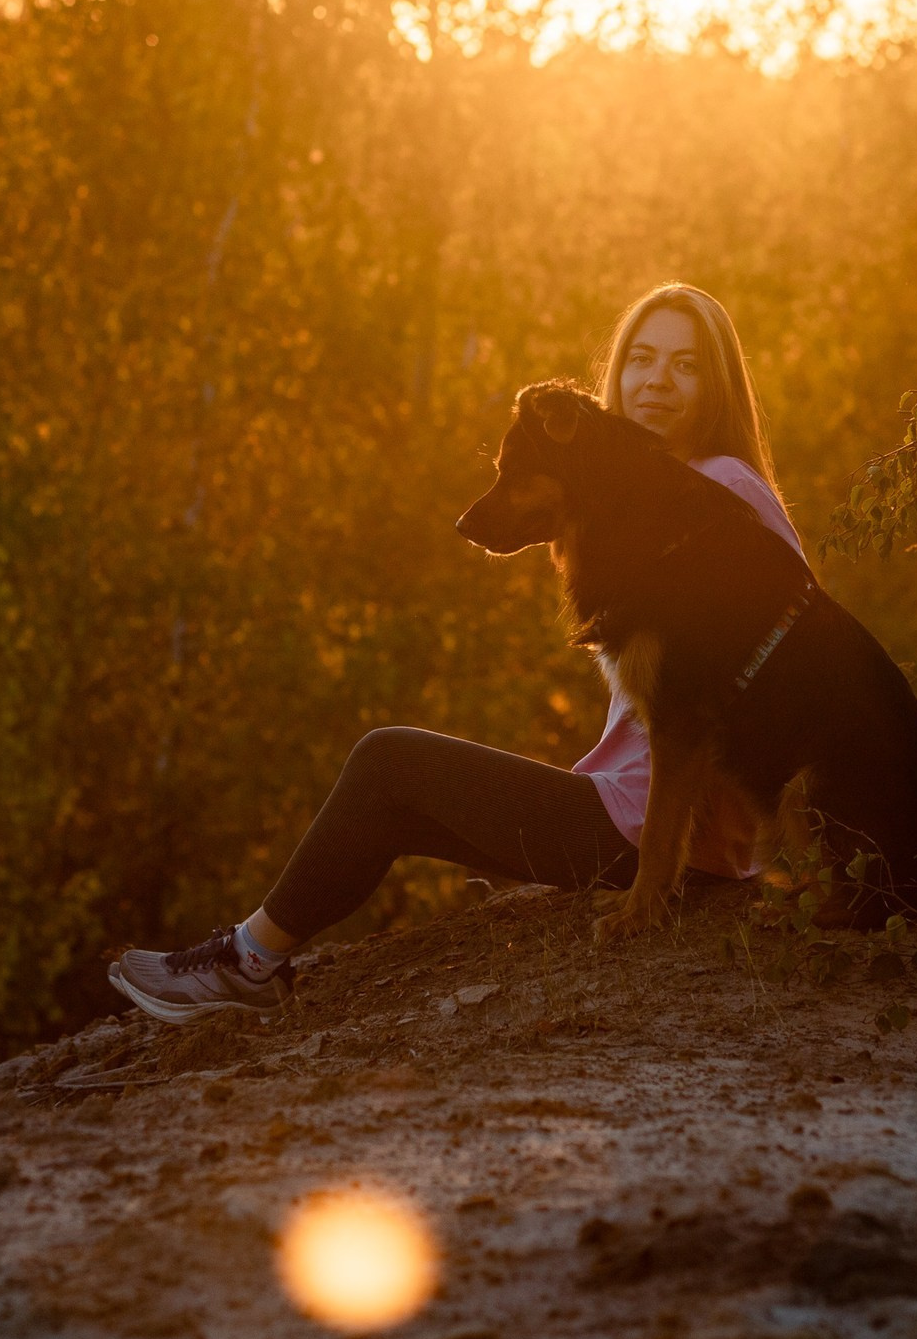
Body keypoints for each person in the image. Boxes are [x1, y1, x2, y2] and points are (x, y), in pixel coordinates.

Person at [108, 284, 809, 1023]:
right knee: (397, 805)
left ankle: (244, 961)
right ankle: (253, 959)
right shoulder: (651, 499)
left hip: (662, 835)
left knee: (390, 761)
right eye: (641, 358)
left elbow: (767, 692)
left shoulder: (721, 489)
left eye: (685, 365)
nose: (657, 379)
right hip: (655, 825)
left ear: (720, 385)